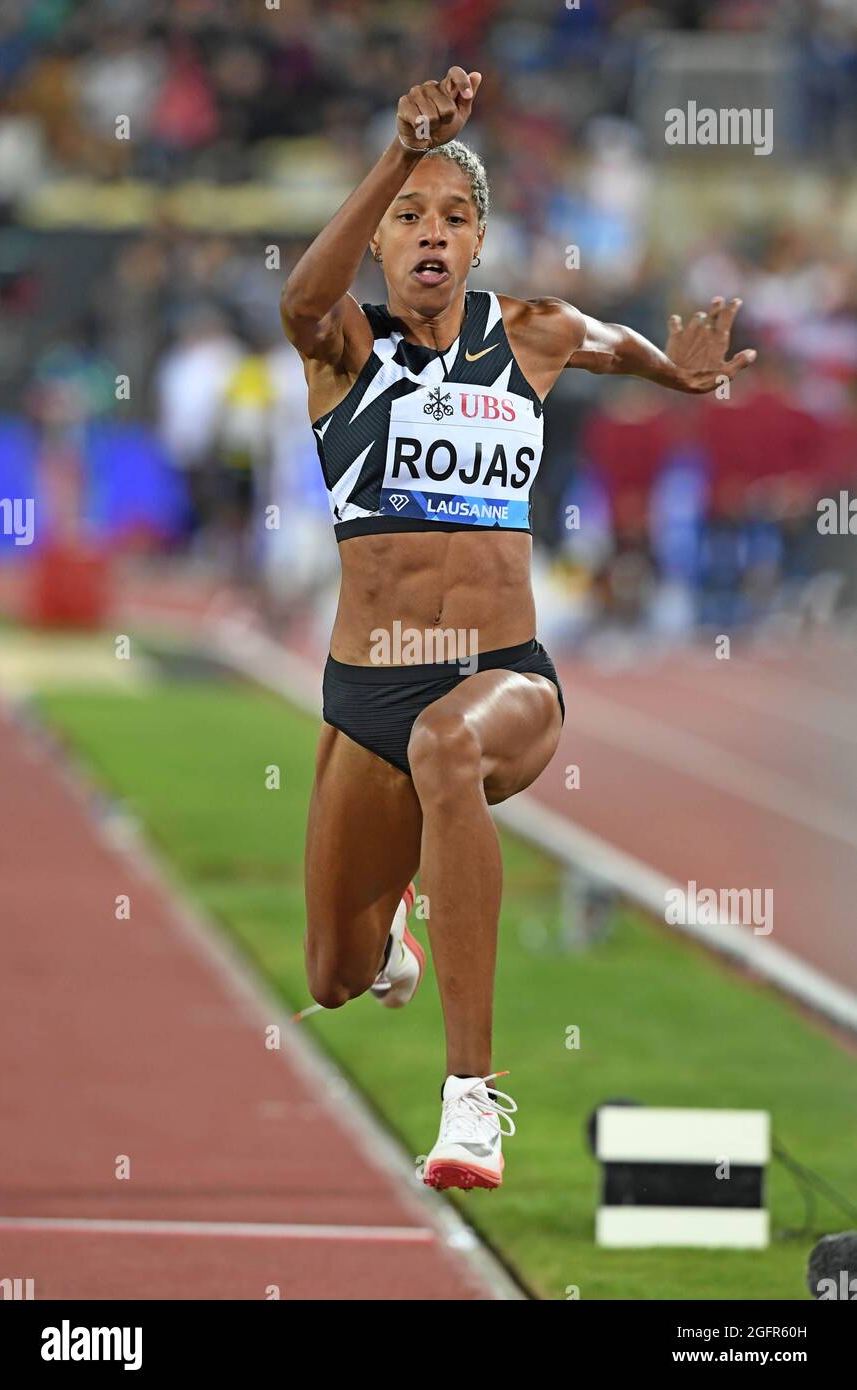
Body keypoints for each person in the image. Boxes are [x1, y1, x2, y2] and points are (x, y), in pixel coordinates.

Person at [280, 66, 756, 1192]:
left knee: (449, 748)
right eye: (408, 216)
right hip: (368, 687)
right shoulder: (341, 348)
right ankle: (390, 918)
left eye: (453, 216)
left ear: (480, 237)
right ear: (381, 237)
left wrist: (673, 374)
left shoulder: (525, 335)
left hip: (502, 679)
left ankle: (470, 1102)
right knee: (336, 971)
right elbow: (301, 298)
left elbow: (609, 338)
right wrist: (400, 148)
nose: (429, 234)